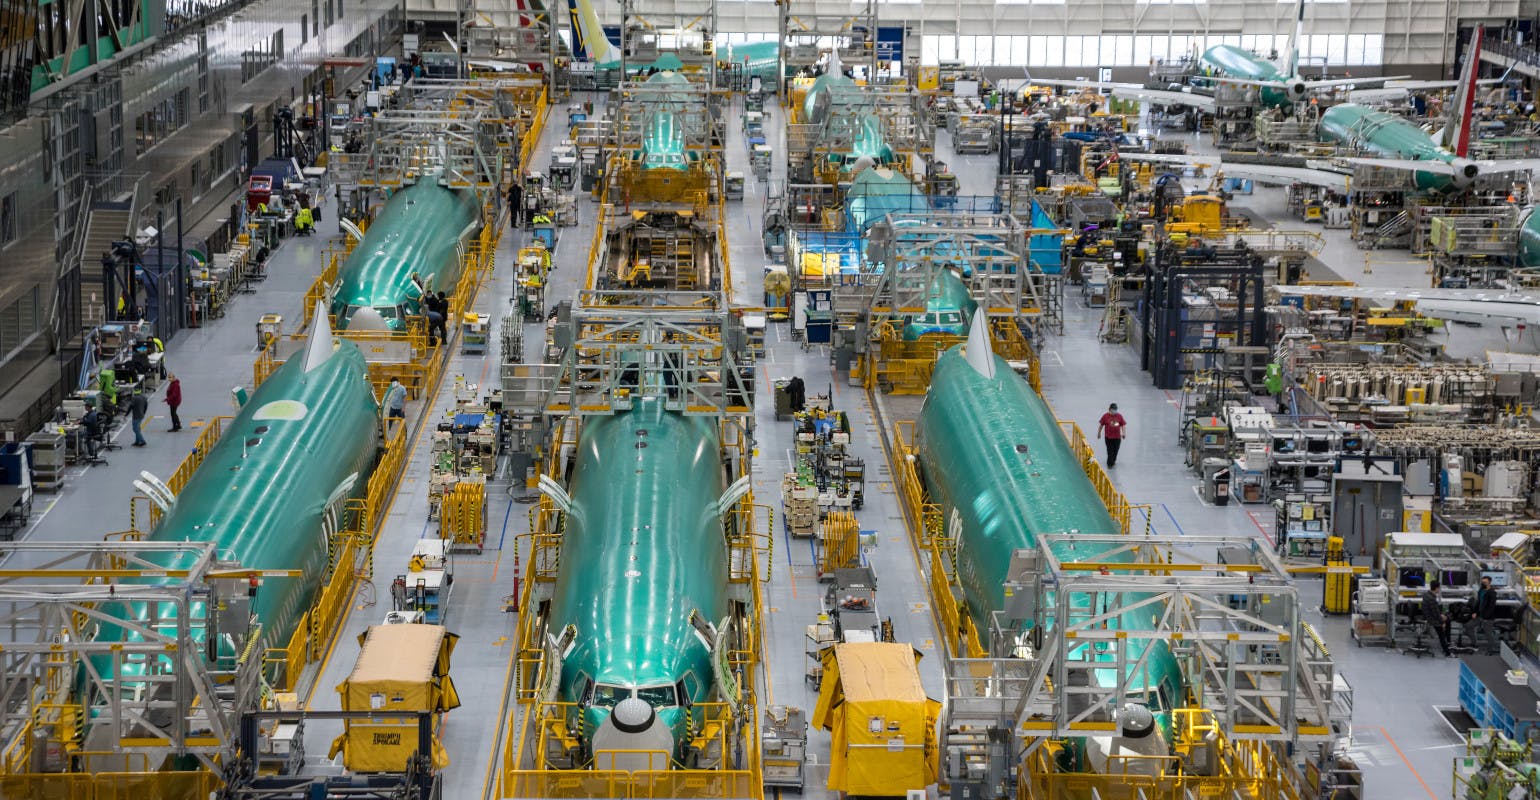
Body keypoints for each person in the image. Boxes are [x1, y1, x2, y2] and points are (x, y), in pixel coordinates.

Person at [1423, 580, 1453, 657]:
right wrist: (1442, 623)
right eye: (1439, 588)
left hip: (1429, 615)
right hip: (1432, 619)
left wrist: (1441, 615)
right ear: (1436, 588)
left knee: (1448, 619)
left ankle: (1448, 642)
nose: (1439, 590)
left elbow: (1435, 611)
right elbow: (1435, 614)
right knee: (1441, 634)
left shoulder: (1426, 594)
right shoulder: (1432, 599)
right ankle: (1447, 652)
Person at [1474, 575, 1500, 654]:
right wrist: (1475, 612)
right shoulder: (1481, 590)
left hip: (1488, 617)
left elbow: (1491, 607)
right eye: (1482, 582)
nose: (1483, 584)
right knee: (1468, 626)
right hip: (1480, 615)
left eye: (1485, 582)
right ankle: (1474, 644)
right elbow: (1479, 602)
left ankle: (1490, 650)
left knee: (1488, 633)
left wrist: (1486, 618)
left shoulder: (1492, 592)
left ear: (1489, 583)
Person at [1097, 403, 1127, 467]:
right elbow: (1101, 425)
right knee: (1110, 451)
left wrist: (1124, 433)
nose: (1115, 411)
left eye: (1116, 409)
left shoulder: (1119, 416)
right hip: (1108, 437)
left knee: (1116, 450)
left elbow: (1123, 425)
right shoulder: (1105, 416)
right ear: (1110, 409)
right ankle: (1109, 464)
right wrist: (1099, 433)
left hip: (1117, 437)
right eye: (1113, 409)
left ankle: (1113, 461)